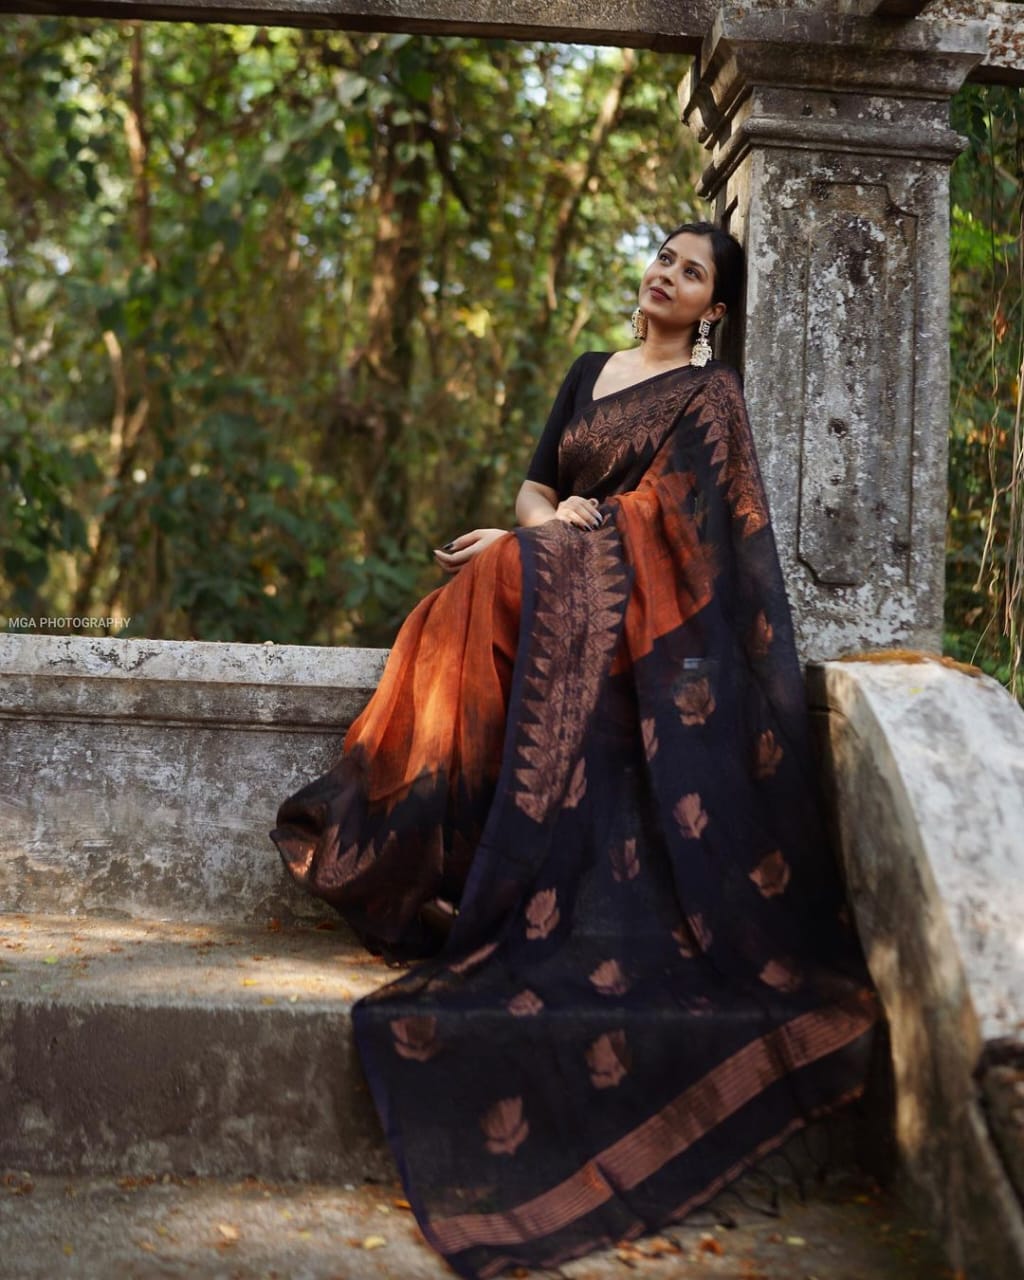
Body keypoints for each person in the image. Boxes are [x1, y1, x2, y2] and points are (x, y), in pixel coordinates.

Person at [270, 221, 879, 1280]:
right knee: (447, 610)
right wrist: (531, 529)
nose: (664, 274)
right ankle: (429, 862)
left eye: (689, 271)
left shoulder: (707, 396)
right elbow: (536, 484)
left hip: (632, 613)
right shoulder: (590, 369)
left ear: (713, 307)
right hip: (559, 567)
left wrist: (537, 546)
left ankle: (450, 869)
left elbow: (681, 525)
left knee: (488, 583)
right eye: (662, 257)